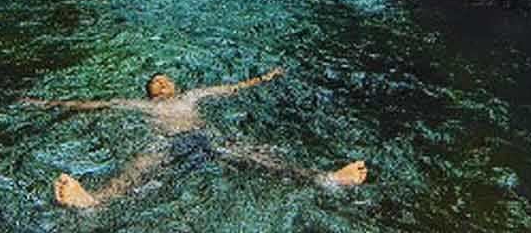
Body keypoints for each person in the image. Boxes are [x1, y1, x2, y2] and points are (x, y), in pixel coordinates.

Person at [20, 67, 368, 209]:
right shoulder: (139, 104)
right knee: (137, 169)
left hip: (204, 136)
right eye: (155, 82)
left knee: (263, 157)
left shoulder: (192, 96)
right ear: (149, 91)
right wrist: (47, 103)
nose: (161, 83)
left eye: (166, 80)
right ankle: (93, 202)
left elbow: (232, 88)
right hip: (168, 142)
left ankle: (328, 179)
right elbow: (93, 105)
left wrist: (264, 78)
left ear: (176, 86)